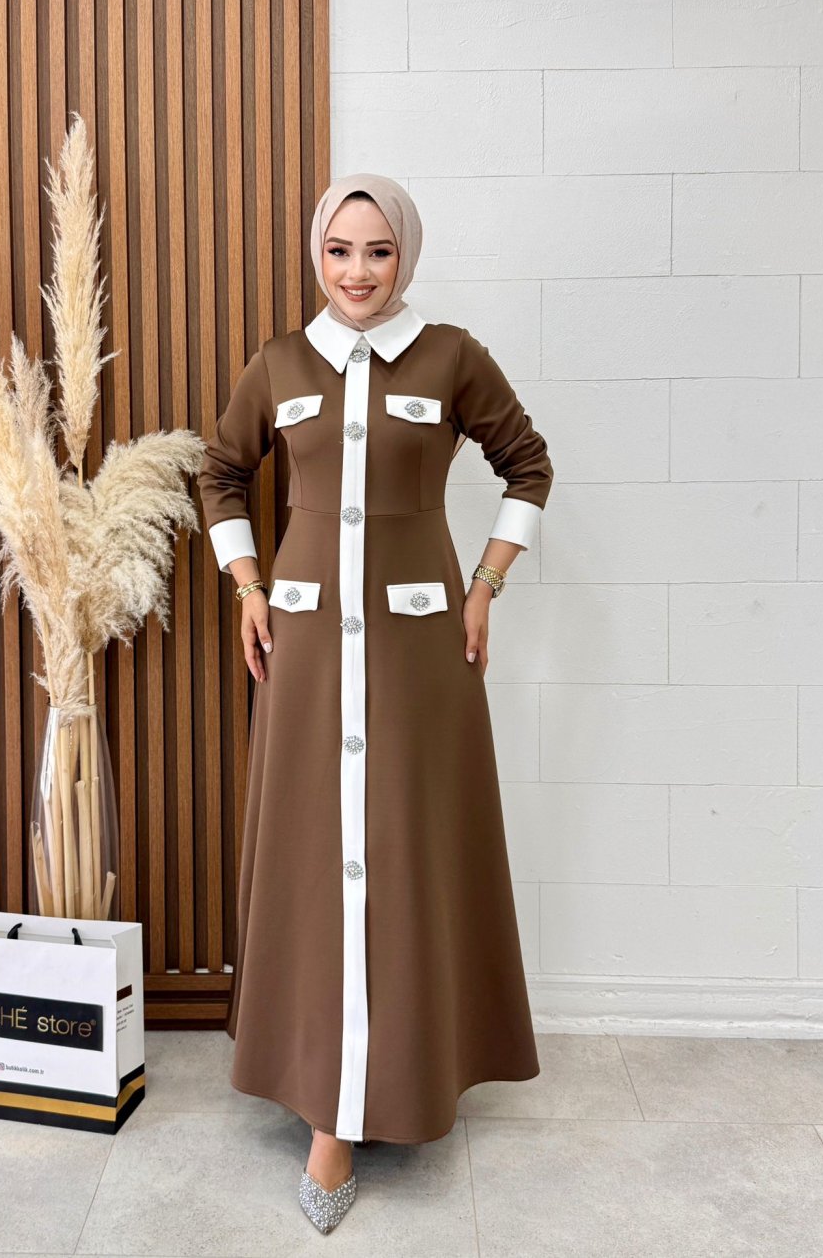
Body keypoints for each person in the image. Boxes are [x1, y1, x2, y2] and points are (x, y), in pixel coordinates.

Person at [196, 172, 554, 1234]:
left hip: (418, 655)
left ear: (407, 255)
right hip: (305, 654)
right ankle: (329, 1109)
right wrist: (248, 585)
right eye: (339, 249)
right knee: (320, 857)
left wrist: (484, 586)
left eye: (379, 250)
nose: (357, 272)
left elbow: (528, 466)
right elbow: (219, 473)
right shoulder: (280, 362)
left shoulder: (450, 356)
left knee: (403, 852)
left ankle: (402, 1074)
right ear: (317, 252)